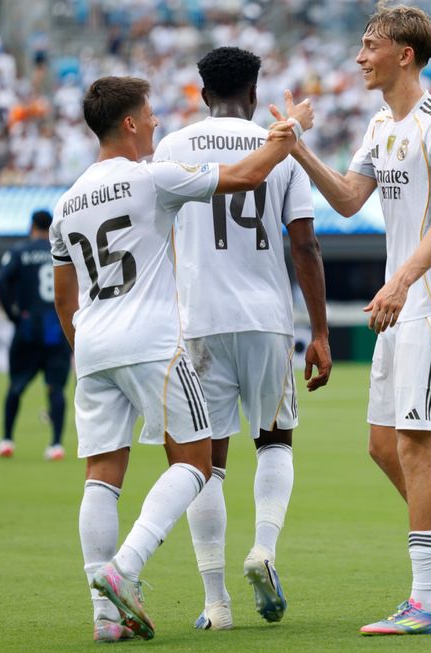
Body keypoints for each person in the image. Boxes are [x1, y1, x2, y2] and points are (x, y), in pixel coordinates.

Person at [51, 75, 312, 642]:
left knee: (101, 477)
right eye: (148, 114)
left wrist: (86, 346)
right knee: (196, 464)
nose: (156, 123)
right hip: (153, 342)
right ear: (128, 123)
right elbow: (247, 175)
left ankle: (105, 619)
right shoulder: (152, 178)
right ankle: (124, 569)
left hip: (92, 344)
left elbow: (63, 297)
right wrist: (289, 131)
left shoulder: (65, 203)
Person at [282, 4, 431, 635]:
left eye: (370, 45)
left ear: (404, 55)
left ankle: (425, 602)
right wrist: (298, 151)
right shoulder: (381, 124)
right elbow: (350, 199)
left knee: (416, 445)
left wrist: (401, 280)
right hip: (400, 306)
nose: (360, 57)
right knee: (383, 446)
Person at [153, 46, 332, 630]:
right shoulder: (282, 145)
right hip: (267, 319)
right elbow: (304, 244)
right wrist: (320, 331)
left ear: (203, 94)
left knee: (205, 462)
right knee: (275, 442)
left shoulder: (172, 147)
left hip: (198, 321)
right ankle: (264, 550)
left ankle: (216, 602)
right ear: (254, 94)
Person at [0, 209, 72, 461]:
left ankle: (7, 440)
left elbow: (0, 281)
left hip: (28, 328)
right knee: (55, 388)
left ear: (31, 227)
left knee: (16, 386)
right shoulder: (62, 250)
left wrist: (13, 314)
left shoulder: (19, 251)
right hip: (56, 329)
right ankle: (56, 444)